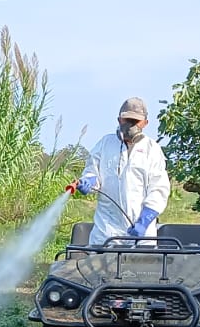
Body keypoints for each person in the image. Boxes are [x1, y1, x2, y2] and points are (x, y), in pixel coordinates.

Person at [71, 97, 170, 245]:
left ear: (145, 123)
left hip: (142, 237)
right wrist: (88, 181)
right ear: (119, 120)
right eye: (127, 120)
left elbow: (159, 189)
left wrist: (144, 221)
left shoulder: (152, 150)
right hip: (106, 234)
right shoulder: (105, 144)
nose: (131, 125)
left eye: (135, 121)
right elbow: (93, 174)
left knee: (142, 267)